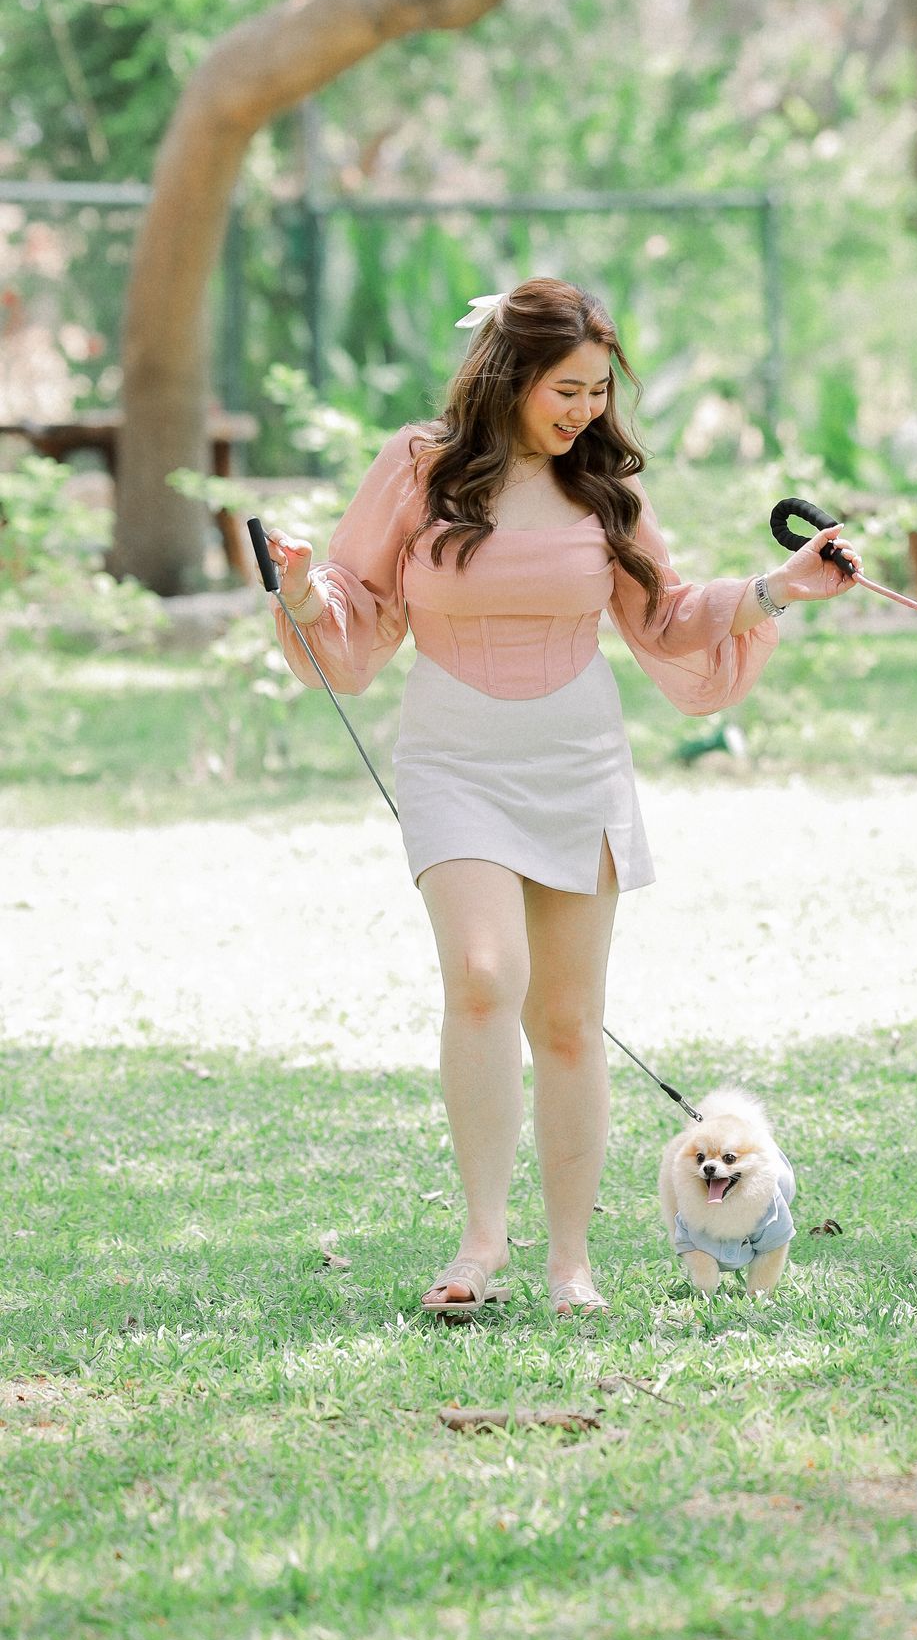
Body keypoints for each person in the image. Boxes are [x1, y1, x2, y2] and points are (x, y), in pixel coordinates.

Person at [264, 277, 850, 1319]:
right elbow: (357, 595)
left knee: (571, 1021)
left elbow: (667, 615)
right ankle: (481, 1240)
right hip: (453, 758)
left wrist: (778, 588)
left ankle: (570, 1261)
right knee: (484, 976)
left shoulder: (601, 488)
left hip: (575, 760)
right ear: (509, 375)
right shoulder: (421, 464)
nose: (585, 410)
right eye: (565, 389)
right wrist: (305, 590)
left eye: (598, 390)